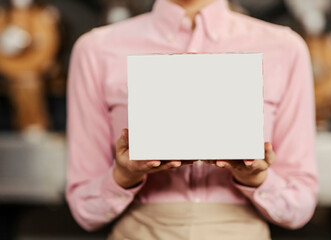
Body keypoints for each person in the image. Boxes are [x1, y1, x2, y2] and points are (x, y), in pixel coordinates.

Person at [66, 0, 318, 239]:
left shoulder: (285, 48)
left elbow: (300, 205)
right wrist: (124, 176)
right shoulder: (96, 50)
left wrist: (254, 178)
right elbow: (85, 210)